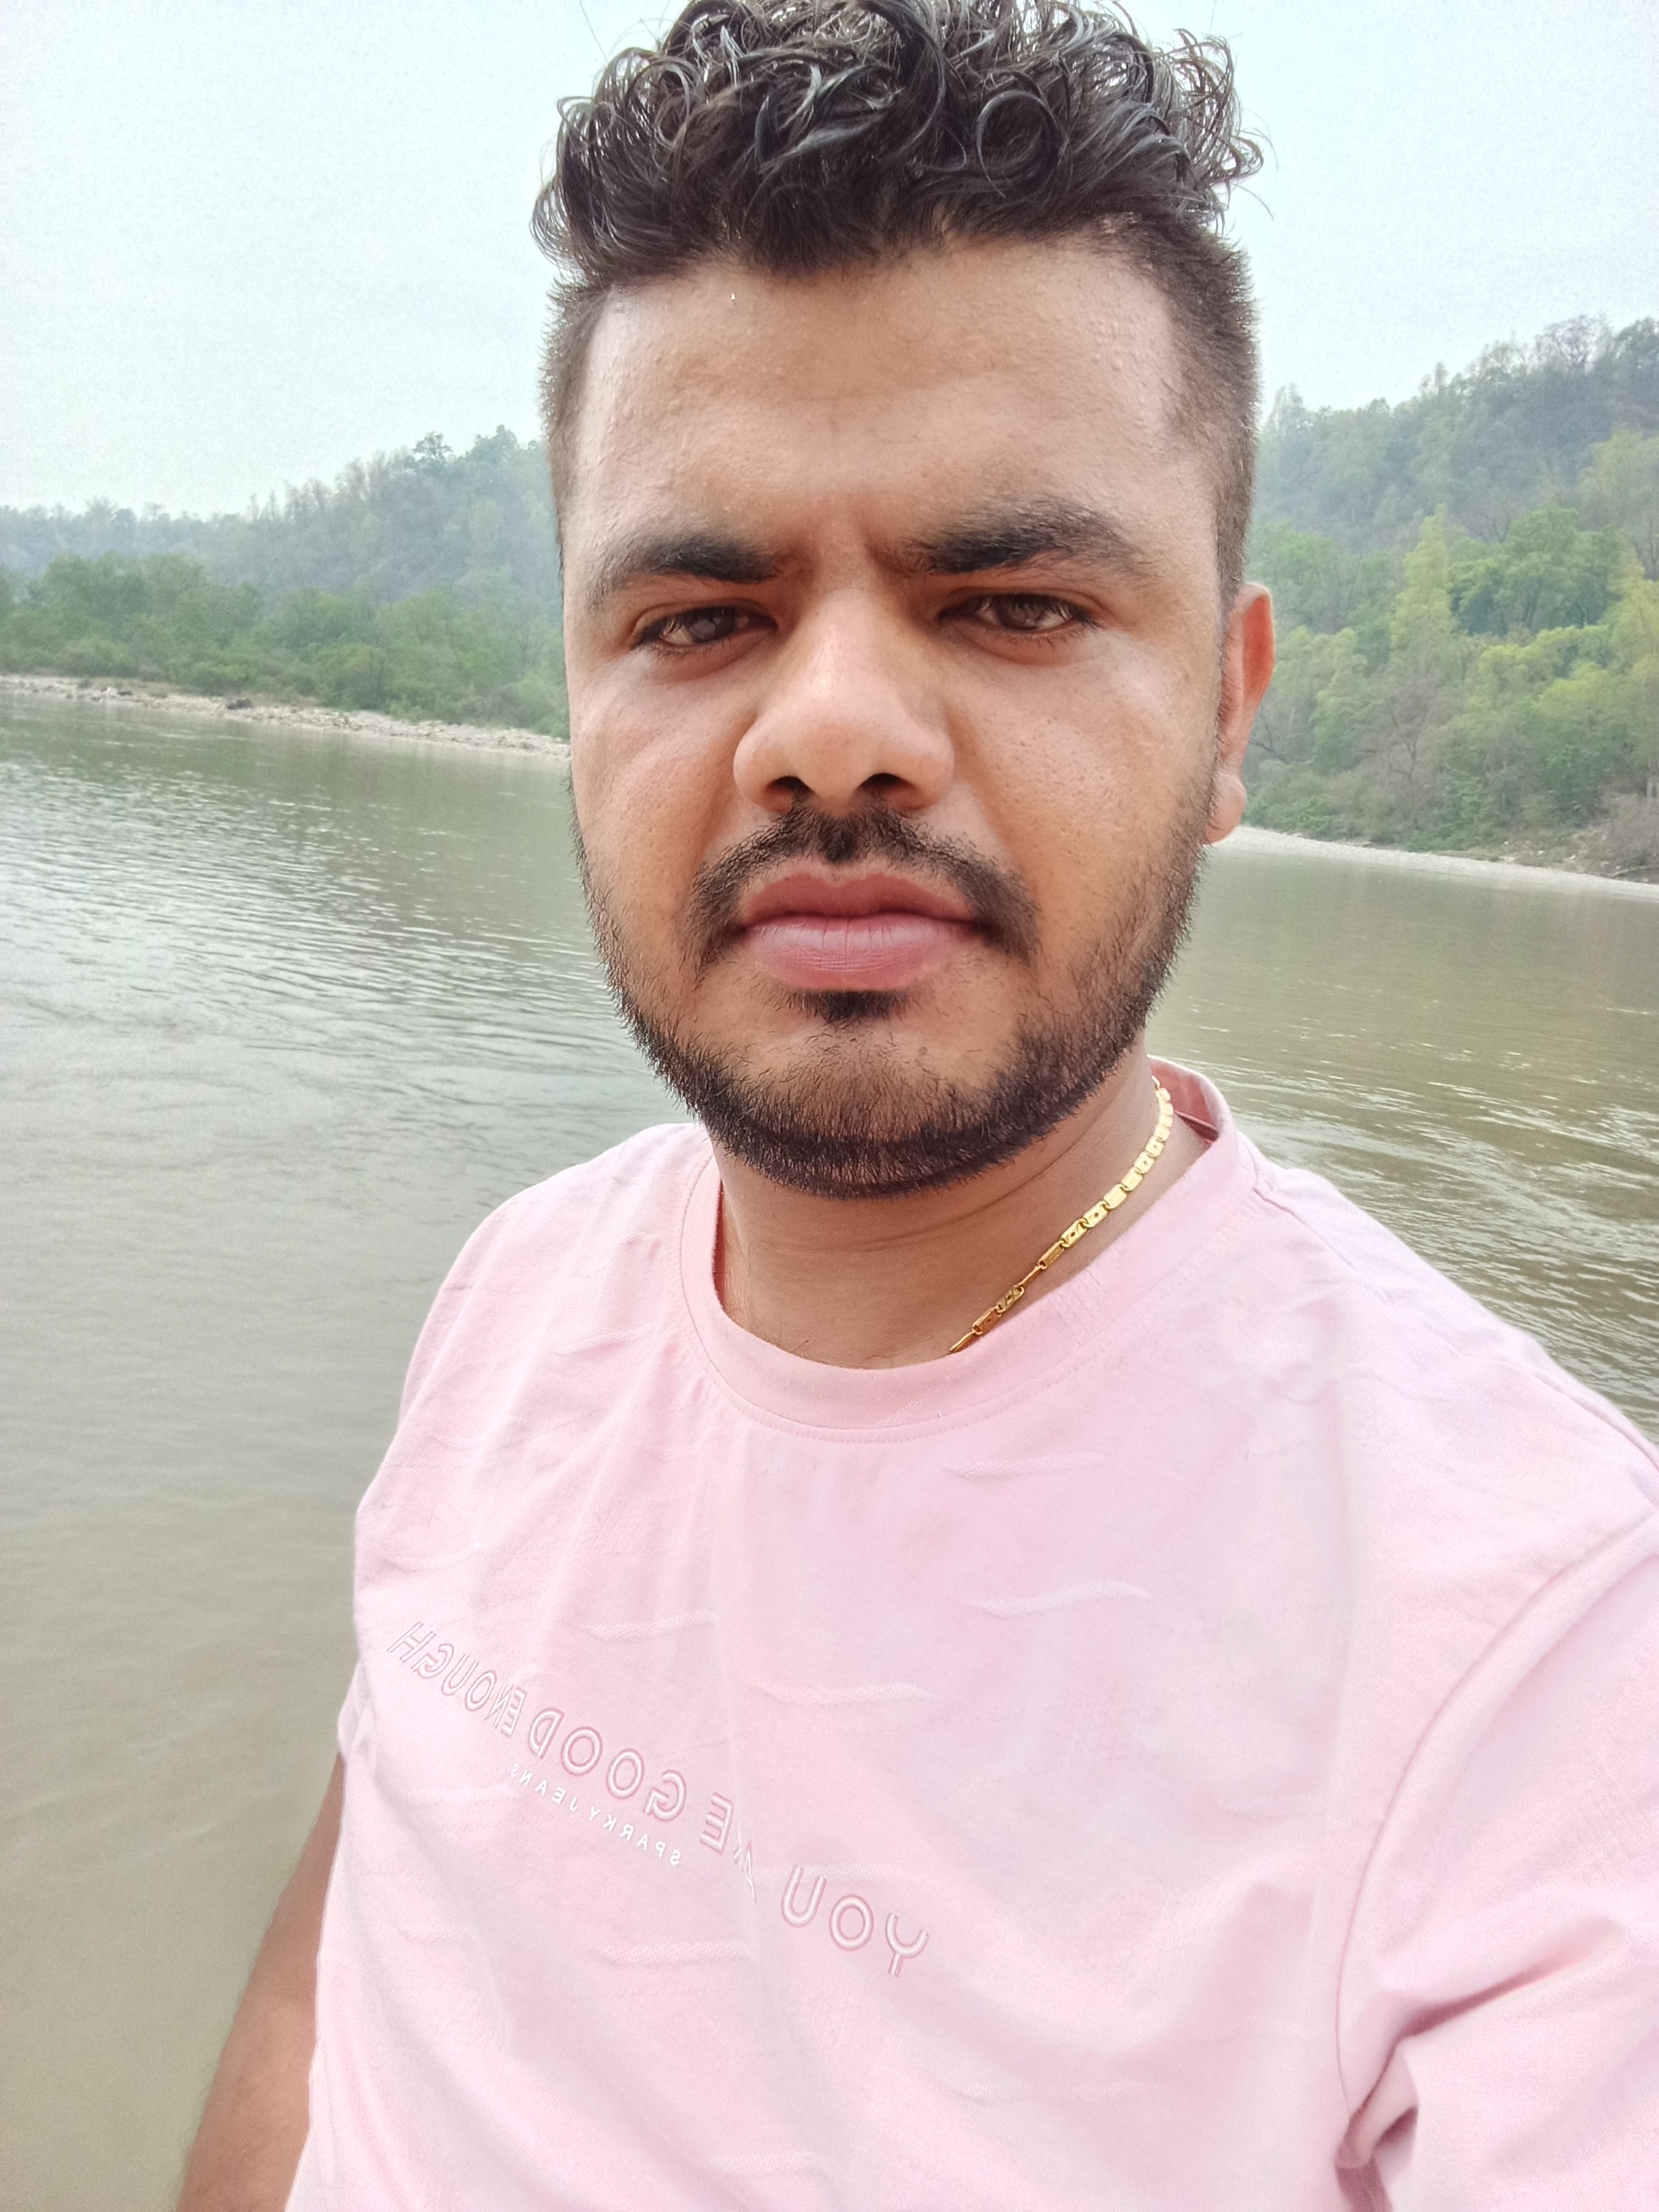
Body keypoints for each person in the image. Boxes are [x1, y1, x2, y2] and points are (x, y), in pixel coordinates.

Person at [180, 4, 1659, 2207]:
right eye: (702, 618)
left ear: (1228, 711)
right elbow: (338, 1988)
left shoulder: (1544, 1659)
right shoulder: (516, 1296)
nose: (833, 733)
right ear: (577, 689)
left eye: (1012, 603)